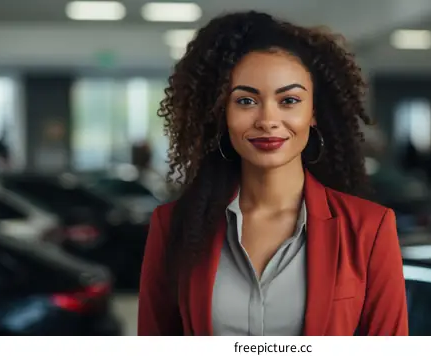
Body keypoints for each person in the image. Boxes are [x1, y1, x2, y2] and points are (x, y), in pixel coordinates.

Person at [138, 11, 408, 336]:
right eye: (246, 100)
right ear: (221, 114)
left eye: (289, 100)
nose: (267, 119)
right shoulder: (172, 227)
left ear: (314, 114)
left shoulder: (369, 229)